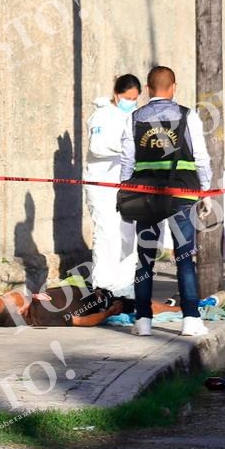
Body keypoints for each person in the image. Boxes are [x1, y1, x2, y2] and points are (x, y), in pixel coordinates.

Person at [119, 66, 212, 338]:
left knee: (144, 258)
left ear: (148, 88)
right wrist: (205, 189)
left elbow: (127, 159)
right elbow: (201, 156)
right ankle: (192, 320)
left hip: (144, 196)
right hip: (181, 195)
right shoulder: (188, 115)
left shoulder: (134, 117)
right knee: (184, 257)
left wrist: (125, 193)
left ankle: (143, 321)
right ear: (173, 87)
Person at [85, 74, 142, 300]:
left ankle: (125, 286)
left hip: (125, 186)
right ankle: (103, 286)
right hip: (101, 186)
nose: (132, 103)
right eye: (129, 98)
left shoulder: (131, 116)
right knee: (106, 233)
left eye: (136, 99)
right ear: (117, 95)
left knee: (127, 235)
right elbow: (97, 146)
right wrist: (126, 148)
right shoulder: (101, 115)